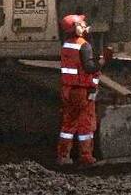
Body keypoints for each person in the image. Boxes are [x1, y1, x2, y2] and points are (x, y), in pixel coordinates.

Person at [56, 13, 105, 166]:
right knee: (86, 124)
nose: (85, 26)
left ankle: (63, 156)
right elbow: (89, 68)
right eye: (82, 24)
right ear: (76, 28)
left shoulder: (66, 44)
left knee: (68, 124)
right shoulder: (84, 45)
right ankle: (86, 157)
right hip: (82, 91)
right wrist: (101, 62)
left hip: (67, 90)